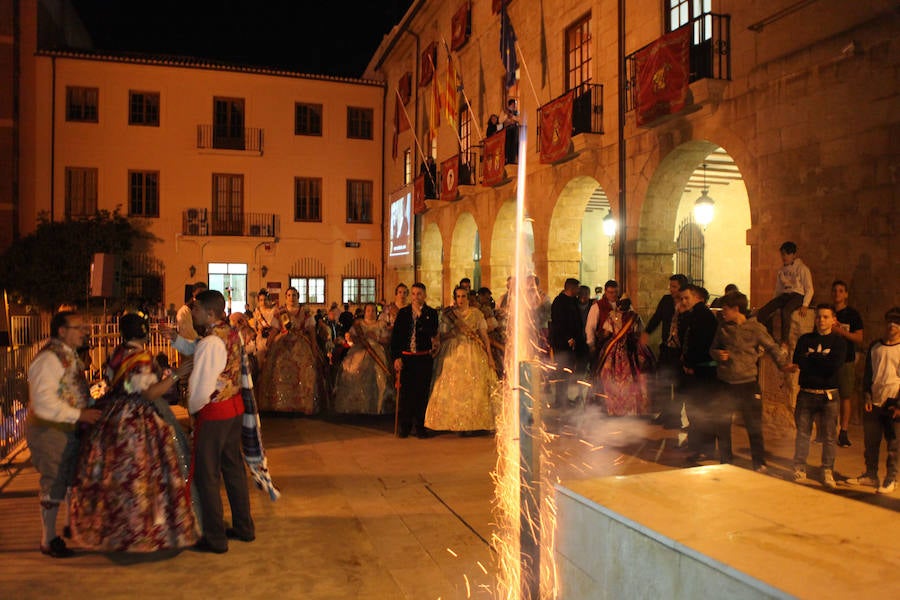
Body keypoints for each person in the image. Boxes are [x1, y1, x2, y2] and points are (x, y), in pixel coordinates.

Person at [69, 312, 198, 552]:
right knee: (144, 474)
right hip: (138, 419)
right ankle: (144, 531)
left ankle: (112, 529)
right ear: (145, 332)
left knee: (114, 474)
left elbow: (113, 382)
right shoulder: (140, 357)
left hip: (113, 416)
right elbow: (148, 393)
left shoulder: (117, 353)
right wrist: (177, 375)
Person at [25, 311, 102, 558]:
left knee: (68, 479)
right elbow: (43, 401)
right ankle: (48, 539)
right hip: (51, 430)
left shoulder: (66, 356)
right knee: (54, 481)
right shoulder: (49, 359)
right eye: (78, 327)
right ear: (61, 331)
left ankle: (70, 526)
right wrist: (79, 415)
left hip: (66, 428)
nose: (84, 331)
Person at [186, 290, 255, 553]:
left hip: (215, 413)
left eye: (196, 309)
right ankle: (243, 527)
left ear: (209, 313)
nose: (193, 313)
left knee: (208, 475)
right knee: (233, 470)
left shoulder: (210, 342)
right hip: (234, 408)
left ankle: (215, 538)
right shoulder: (231, 332)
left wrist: (193, 410)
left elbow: (200, 387)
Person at [710, 292, 791, 472]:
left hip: (747, 384)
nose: (723, 312)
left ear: (736, 309)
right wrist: (718, 355)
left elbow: (771, 347)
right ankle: (726, 460)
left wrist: (784, 365)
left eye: (725, 309)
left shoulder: (755, 328)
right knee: (722, 424)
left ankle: (759, 463)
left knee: (753, 425)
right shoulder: (723, 327)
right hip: (725, 383)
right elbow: (713, 348)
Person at [786, 303, 846, 489]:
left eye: (826, 317)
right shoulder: (805, 339)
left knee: (829, 436)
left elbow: (832, 366)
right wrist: (817, 361)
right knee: (803, 434)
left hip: (829, 395)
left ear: (833, 320)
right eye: (819, 317)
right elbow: (798, 361)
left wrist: (811, 359)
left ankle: (827, 469)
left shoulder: (839, 342)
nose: (821, 320)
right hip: (807, 394)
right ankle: (799, 466)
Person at [425, 286, 498, 434]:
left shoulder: (476, 314)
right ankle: (456, 422)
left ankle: (475, 423)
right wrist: (454, 332)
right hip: (453, 349)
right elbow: (442, 336)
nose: (461, 299)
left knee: (475, 388)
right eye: (458, 296)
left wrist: (490, 355)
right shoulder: (449, 315)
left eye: (463, 296)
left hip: (473, 352)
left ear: (468, 298)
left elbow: (484, 336)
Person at [847, 307, 900, 494]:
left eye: (897, 322)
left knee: (893, 445)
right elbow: (868, 374)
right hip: (875, 402)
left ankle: (891, 478)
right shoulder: (875, 347)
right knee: (871, 442)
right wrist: (867, 396)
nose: (892, 325)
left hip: (893, 403)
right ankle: (871, 474)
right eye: (890, 321)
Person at [256, 287, 326, 414]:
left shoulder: (305, 312)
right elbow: (275, 330)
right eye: (289, 295)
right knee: (279, 369)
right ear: (285, 297)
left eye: (294, 295)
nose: (291, 297)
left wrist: (314, 347)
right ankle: (280, 404)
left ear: (298, 296)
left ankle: (303, 404)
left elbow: (311, 331)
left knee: (306, 370)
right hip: (283, 343)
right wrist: (269, 344)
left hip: (301, 344)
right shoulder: (280, 312)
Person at [390, 282, 440, 438]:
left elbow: (432, 331)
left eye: (419, 294)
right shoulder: (403, 313)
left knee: (422, 392)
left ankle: (420, 426)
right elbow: (396, 337)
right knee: (406, 393)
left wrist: (420, 316)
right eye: (413, 294)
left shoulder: (431, 313)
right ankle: (405, 426)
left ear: (424, 295)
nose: (415, 297)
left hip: (423, 357)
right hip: (407, 357)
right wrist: (396, 357)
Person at [679, 285, 721, 464]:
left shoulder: (701, 316)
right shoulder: (697, 314)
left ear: (697, 297)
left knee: (699, 411)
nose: (683, 302)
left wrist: (690, 364)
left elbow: (698, 343)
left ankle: (703, 449)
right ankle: (701, 447)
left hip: (702, 371)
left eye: (686, 298)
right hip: (700, 369)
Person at [592, 298, 655, 416]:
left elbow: (606, 333)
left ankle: (613, 408)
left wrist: (599, 337)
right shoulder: (635, 317)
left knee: (608, 376)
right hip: (631, 349)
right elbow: (639, 332)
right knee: (636, 376)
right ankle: (632, 409)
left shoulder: (611, 316)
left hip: (613, 350)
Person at [645, 274, 690, 428]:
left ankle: (676, 416)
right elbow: (657, 318)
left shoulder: (687, 303)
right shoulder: (666, 301)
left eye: (674, 287)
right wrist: (647, 332)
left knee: (677, 385)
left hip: (680, 351)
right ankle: (665, 413)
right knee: (664, 382)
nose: (671, 290)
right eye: (670, 286)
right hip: (666, 348)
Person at [333, 303, 394, 415]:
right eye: (368, 311)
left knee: (376, 373)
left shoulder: (381, 324)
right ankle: (357, 406)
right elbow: (352, 340)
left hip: (376, 350)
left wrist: (377, 337)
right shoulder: (359, 324)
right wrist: (350, 337)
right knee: (353, 370)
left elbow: (387, 340)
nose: (371, 313)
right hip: (359, 350)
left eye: (373, 311)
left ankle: (375, 406)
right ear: (365, 312)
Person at [755, 241, 814, 347]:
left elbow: (809, 288)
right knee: (765, 311)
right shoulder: (781, 271)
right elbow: (778, 289)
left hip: (798, 295)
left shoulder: (802, 269)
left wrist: (805, 304)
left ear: (793, 254)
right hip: (785, 295)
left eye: (787, 254)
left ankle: (784, 341)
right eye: (783, 254)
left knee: (786, 310)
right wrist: (774, 302)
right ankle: (769, 337)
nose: (784, 257)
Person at [830, 280, 864, 447]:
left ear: (846, 294)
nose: (837, 293)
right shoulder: (827, 313)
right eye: (835, 290)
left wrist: (840, 331)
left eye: (841, 291)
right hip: (828, 360)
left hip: (846, 360)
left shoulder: (852, 315)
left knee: (845, 396)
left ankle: (843, 431)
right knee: (828, 396)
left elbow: (859, 338)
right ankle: (827, 430)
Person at [549, 278, 583, 407]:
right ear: (572, 288)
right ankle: (560, 399)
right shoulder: (559, 302)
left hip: (571, 343)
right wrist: (568, 338)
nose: (579, 291)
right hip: (562, 343)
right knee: (562, 370)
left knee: (567, 370)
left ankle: (563, 398)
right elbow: (559, 323)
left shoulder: (573, 301)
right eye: (577, 288)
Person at [585, 280, 620, 363]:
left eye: (616, 292)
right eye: (611, 292)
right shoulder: (597, 306)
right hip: (603, 345)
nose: (614, 295)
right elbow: (590, 327)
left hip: (620, 349)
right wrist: (591, 344)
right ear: (606, 291)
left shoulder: (623, 304)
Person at [503, 98, 520, 164]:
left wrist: (512, 117)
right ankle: (508, 159)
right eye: (514, 104)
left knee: (514, 144)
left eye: (515, 104)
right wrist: (507, 115)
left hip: (514, 129)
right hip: (508, 130)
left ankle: (513, 159)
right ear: (511, 104)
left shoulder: (516, 112)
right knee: (508, 145)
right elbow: (501, 120)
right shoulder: (505, 111)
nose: (515, 105)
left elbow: (519, 119)